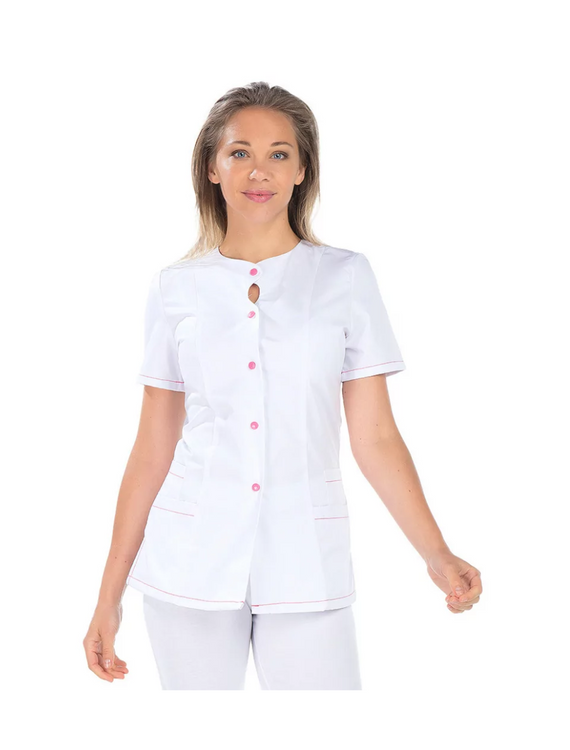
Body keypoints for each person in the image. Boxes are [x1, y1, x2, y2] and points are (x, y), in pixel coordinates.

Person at [83, 81, 483, 690]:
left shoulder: (346, 278)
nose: (259, 170)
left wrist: (437, 552)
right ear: (212, 167)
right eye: (239, 152)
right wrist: (108, 597)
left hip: (306, 562)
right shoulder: (175, 288)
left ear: (302, 171)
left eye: (279, 153)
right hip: (188, 562)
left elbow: (375, 437)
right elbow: (152, 447)